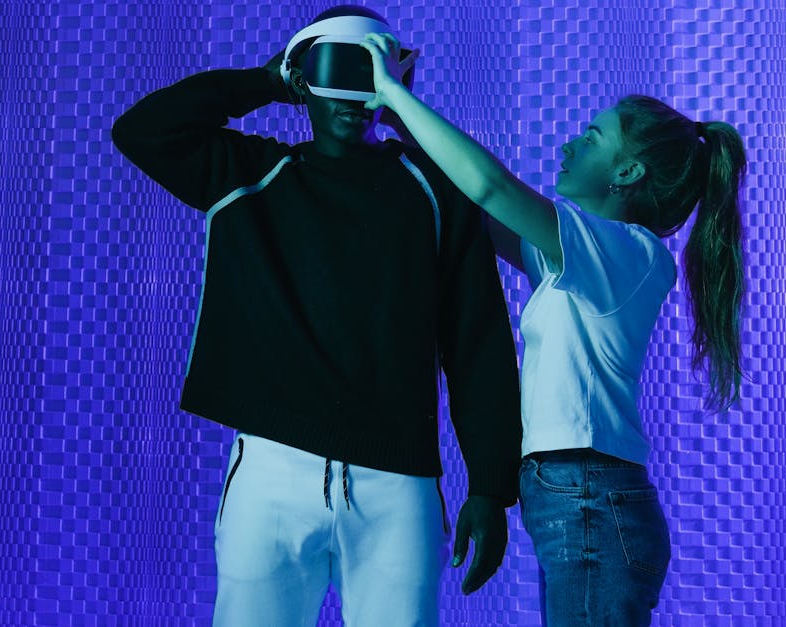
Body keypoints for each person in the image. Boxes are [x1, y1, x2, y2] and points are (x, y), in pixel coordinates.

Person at [111, 6, 522, 626]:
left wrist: (491, 487)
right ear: (306, 78)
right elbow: (141, 130)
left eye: (372, 71)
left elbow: (479, 345)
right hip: (270, 472)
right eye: (338, 68)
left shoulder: (439, 194)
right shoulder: (250, 175)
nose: (354, 95)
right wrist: (267, 79)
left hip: (398, 484)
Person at [360, 32, 746, 626]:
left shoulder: (629, 253)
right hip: (580, 498)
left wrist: (391, 92)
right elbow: (478, 204)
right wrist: (398, 117)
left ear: (628, 170)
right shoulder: (589, 259)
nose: (568, 145)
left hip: (592, 500)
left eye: (591, 137)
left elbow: (491, 186)